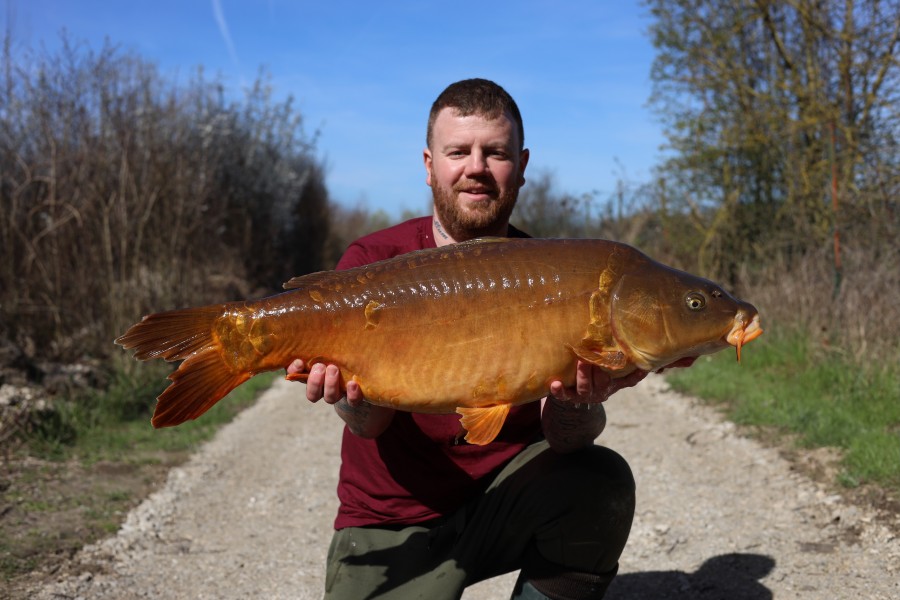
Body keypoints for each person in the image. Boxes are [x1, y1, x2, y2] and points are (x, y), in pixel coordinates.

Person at [289, 78, 651, 600]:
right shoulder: (373, 261)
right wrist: (346, 397)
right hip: (395, 519)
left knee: (599, 481)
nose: (476, 167)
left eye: (495, 152)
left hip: (505, 503)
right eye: (458, 151)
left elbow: (568, 440)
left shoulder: (558, 272)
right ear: (429, 163)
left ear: (522, 165)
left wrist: (583, 401)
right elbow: (369, 427)